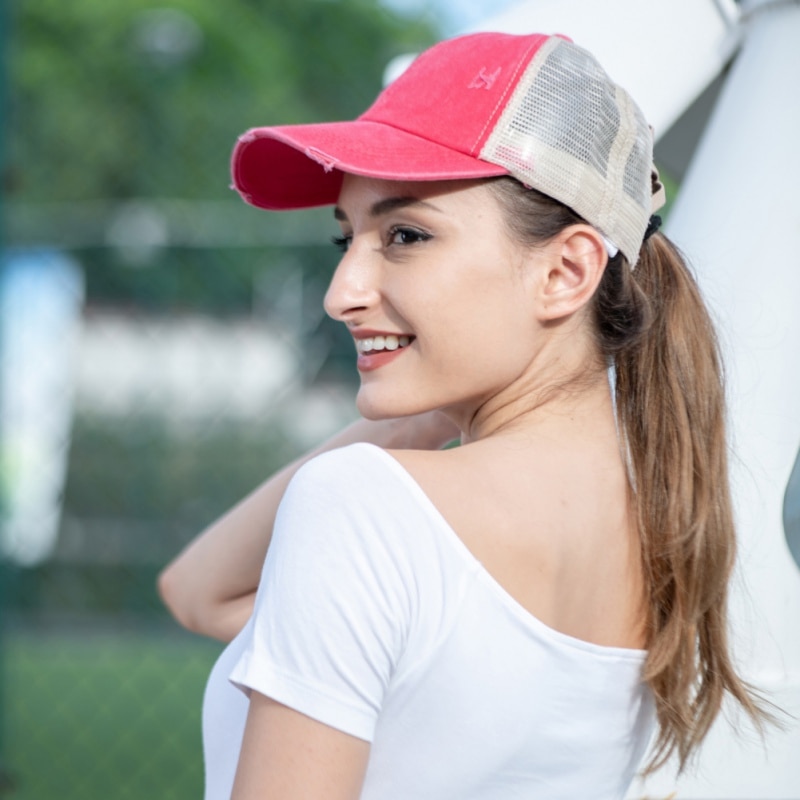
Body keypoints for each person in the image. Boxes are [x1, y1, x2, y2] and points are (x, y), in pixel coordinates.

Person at [158, 31, 768, 800]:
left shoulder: (366, 507)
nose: (341, 292)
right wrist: (427, 407)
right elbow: (198, 591)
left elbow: (199, 593)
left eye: (404, 235)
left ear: (566, 270)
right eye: (346, 239)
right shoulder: (665, 523)